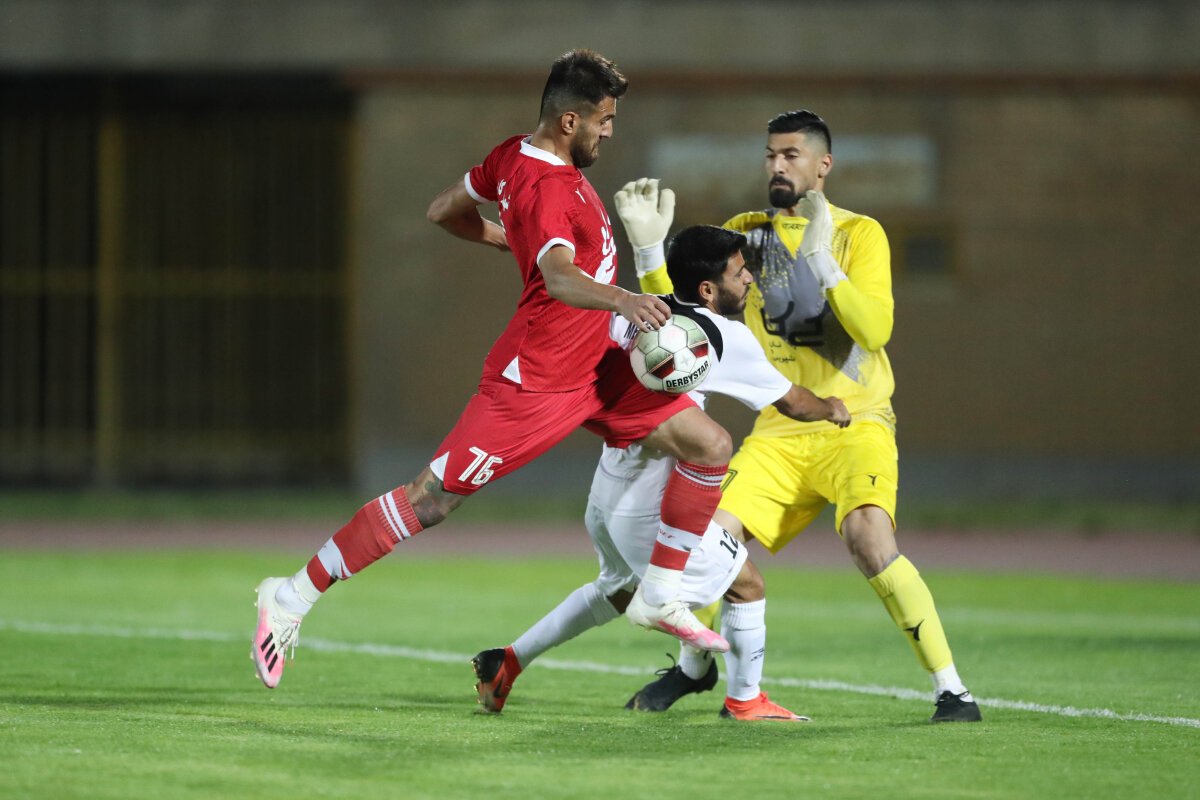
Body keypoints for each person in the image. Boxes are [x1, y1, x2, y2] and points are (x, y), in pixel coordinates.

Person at [250, 50, 734, 690]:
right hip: (537, 380)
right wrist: (621, 298)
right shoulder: (549, 188)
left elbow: (443, 210)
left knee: (709, 444)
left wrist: (513, 241)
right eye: (605, 120)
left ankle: (661, 594)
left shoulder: (512, 154)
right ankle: (289, 595)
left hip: (596, 366)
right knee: (431, 499)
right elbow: (558, 277)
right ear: (569, 121)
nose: (610, 131)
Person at [620, 111, 981, 724]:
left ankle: (952, 691)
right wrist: (650, 251)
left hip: (856, 424)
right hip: (778, 432)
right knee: (705, 542)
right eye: (770, 155)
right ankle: (695, 667)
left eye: (791, 155)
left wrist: (822, 260)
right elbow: (680, 319)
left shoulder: (859, 234)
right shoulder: (743, 235)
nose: (777, 165)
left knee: (869, 538)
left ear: (823, 165)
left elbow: (876, 331)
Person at [471, 223, 851, 722]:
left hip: (607, 490)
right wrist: (832, 408)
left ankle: (509, 660)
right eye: (740, 273)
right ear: (708, 289)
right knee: (747, 586)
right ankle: (745, 700)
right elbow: (794, 403)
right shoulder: (725, 335)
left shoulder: (636, 314)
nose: (749, 280)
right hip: (651, 505)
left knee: (615, 590)